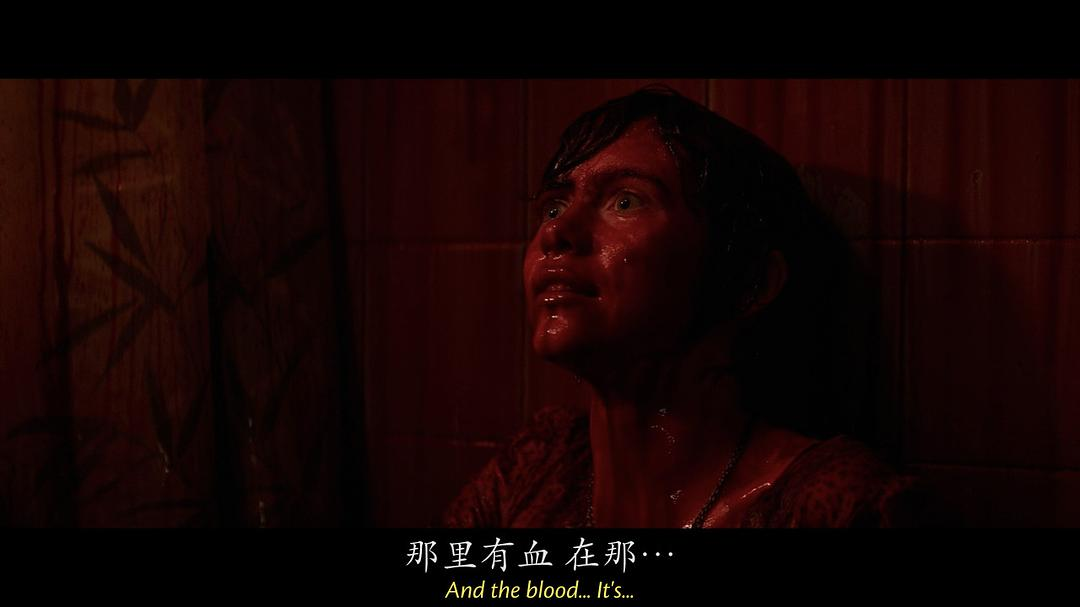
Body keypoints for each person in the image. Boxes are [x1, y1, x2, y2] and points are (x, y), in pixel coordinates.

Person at [444, 86, 923, 528]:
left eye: (625, 202)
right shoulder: (537, 466)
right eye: (553, 206)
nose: (556, 231)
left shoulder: (835, 507)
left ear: (750, 281)